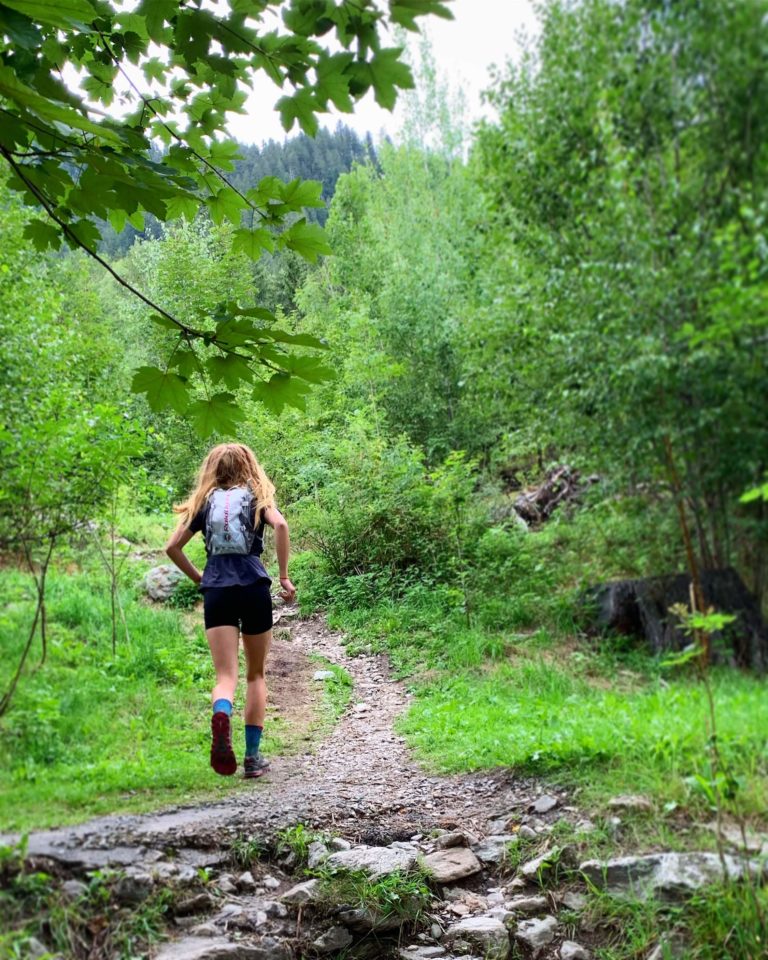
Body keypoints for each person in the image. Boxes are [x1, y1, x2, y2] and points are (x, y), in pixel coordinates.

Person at [165, 443, 296, 779]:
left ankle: (221, 713)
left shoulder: (203, 503)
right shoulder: (257, 497)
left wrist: (201, 577)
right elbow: (280, 526)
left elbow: (172, 547)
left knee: (226, 677)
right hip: (253, 586)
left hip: (217, 590)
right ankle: (253, 758)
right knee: (256, 674)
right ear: (248, 466)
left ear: (212, 469)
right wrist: (282, 576)